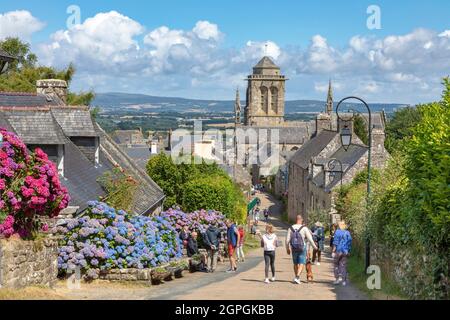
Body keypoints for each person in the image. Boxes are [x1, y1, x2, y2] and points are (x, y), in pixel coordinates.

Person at [286, 215, 317, 284]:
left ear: (296, 219)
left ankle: (297, 277)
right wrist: (315, 247)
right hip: (302, 248)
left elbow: (287, 240)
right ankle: (297, 277)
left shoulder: (290, 228)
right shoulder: (304, 228)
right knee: (301, 263)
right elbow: (310, 239)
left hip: (293, 247)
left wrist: (287, 248)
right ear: (301, 220)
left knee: (295, 263)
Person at [332, 220, 352, 286]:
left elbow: (335, 242)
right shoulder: (347, 232)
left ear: (339, 225)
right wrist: (348, 251)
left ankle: (337, 279)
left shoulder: (337, 232)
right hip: (345, 251)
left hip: (338, 251)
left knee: (336, 264)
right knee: (343, 266)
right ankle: (344, 281)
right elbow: (349, 243)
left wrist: (333, 251)